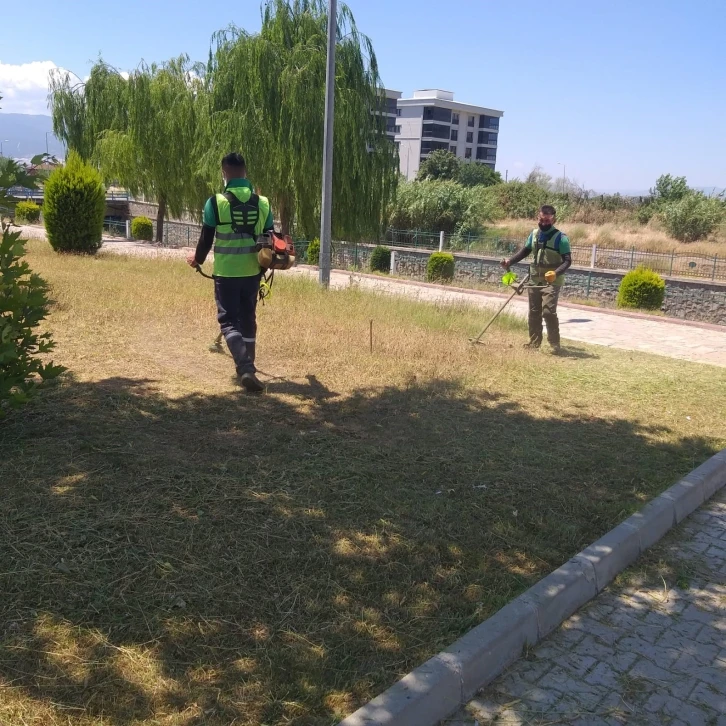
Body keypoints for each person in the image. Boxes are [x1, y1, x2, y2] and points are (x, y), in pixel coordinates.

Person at [187, 153, 274, 392]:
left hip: (226, 273)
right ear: (245, 172)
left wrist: (197, 260)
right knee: (248, 318)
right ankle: (249, 366)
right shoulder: (264, 203)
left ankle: (245, 369)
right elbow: (270, 239)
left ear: (224, 173)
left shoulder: (215, 203)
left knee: (228, 322)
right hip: (253, 272)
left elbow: (206, 239)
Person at [501, 205, 572, 351]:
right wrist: (510, 261)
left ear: (554, 220)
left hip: (552, 281)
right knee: (534, 312)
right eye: (541, 220)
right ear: (537, 218)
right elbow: (525, 251)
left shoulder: (561, 238)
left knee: (548, 311)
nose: (544, 223)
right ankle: (534, 343)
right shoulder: (533, 234)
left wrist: (556, 273)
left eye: (548, 220)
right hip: (534, 279)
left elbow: (567, 260)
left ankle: (554, 343)